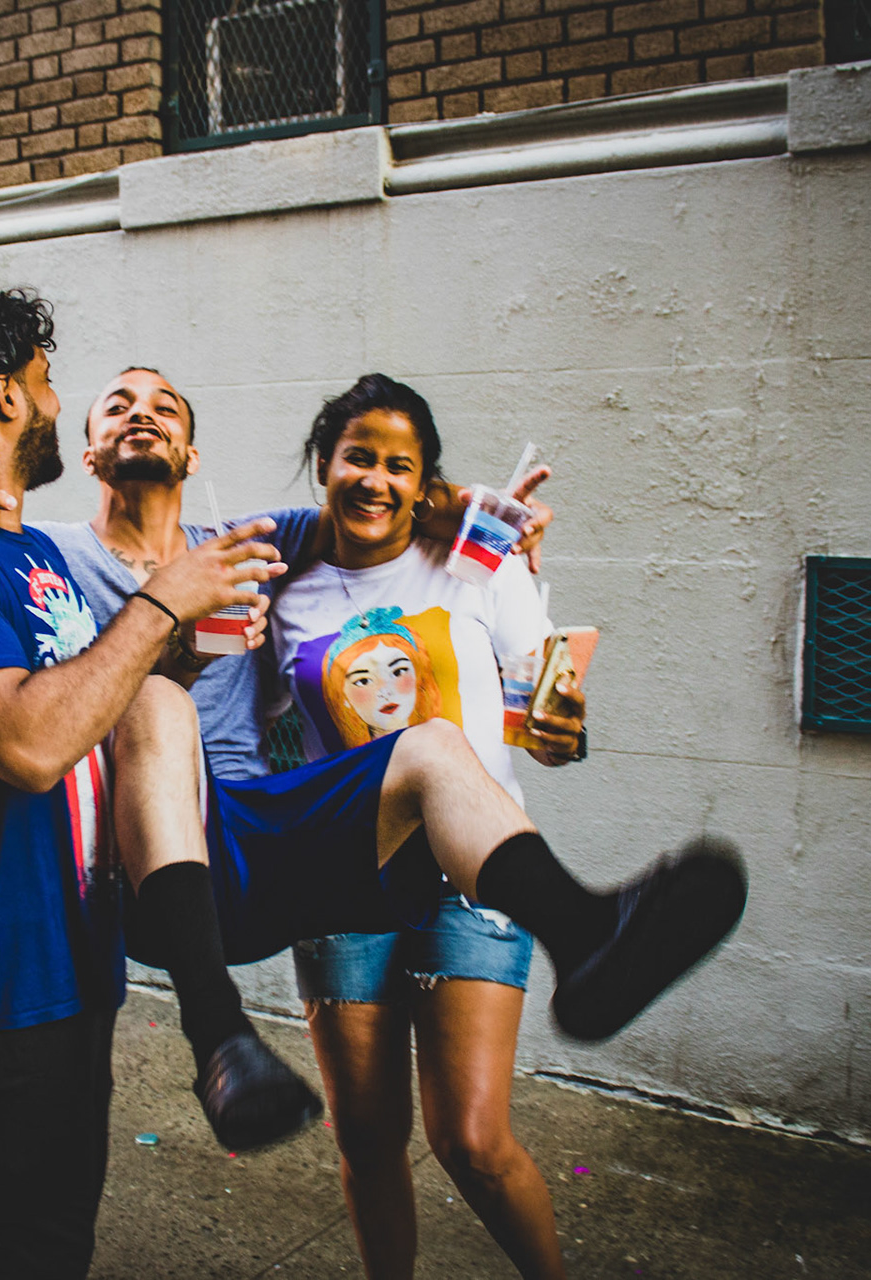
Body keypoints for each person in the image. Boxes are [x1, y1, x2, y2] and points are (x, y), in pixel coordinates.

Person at [0, 289, 307, 1277]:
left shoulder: (21, 556)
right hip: (0, 977)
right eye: (50, 382)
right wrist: (161, 602)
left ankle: (214, 1023)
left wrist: (175, 657)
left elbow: (91, 700)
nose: (57, 402)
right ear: (8, 394)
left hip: (73, 958)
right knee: (16, 1256)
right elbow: (29, 742)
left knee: (59, 1246)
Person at [270, 374, 582, 1278]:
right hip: (343, 883)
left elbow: (547, 716)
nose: (375, 480)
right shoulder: (283, 594)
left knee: (473, 1142)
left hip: (471, 880)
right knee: (368, 1142)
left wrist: (565, 727)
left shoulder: (477, 567)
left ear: (424, 482)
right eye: (357, 457)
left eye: (398, 466)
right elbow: (267, 739)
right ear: (323, 465)